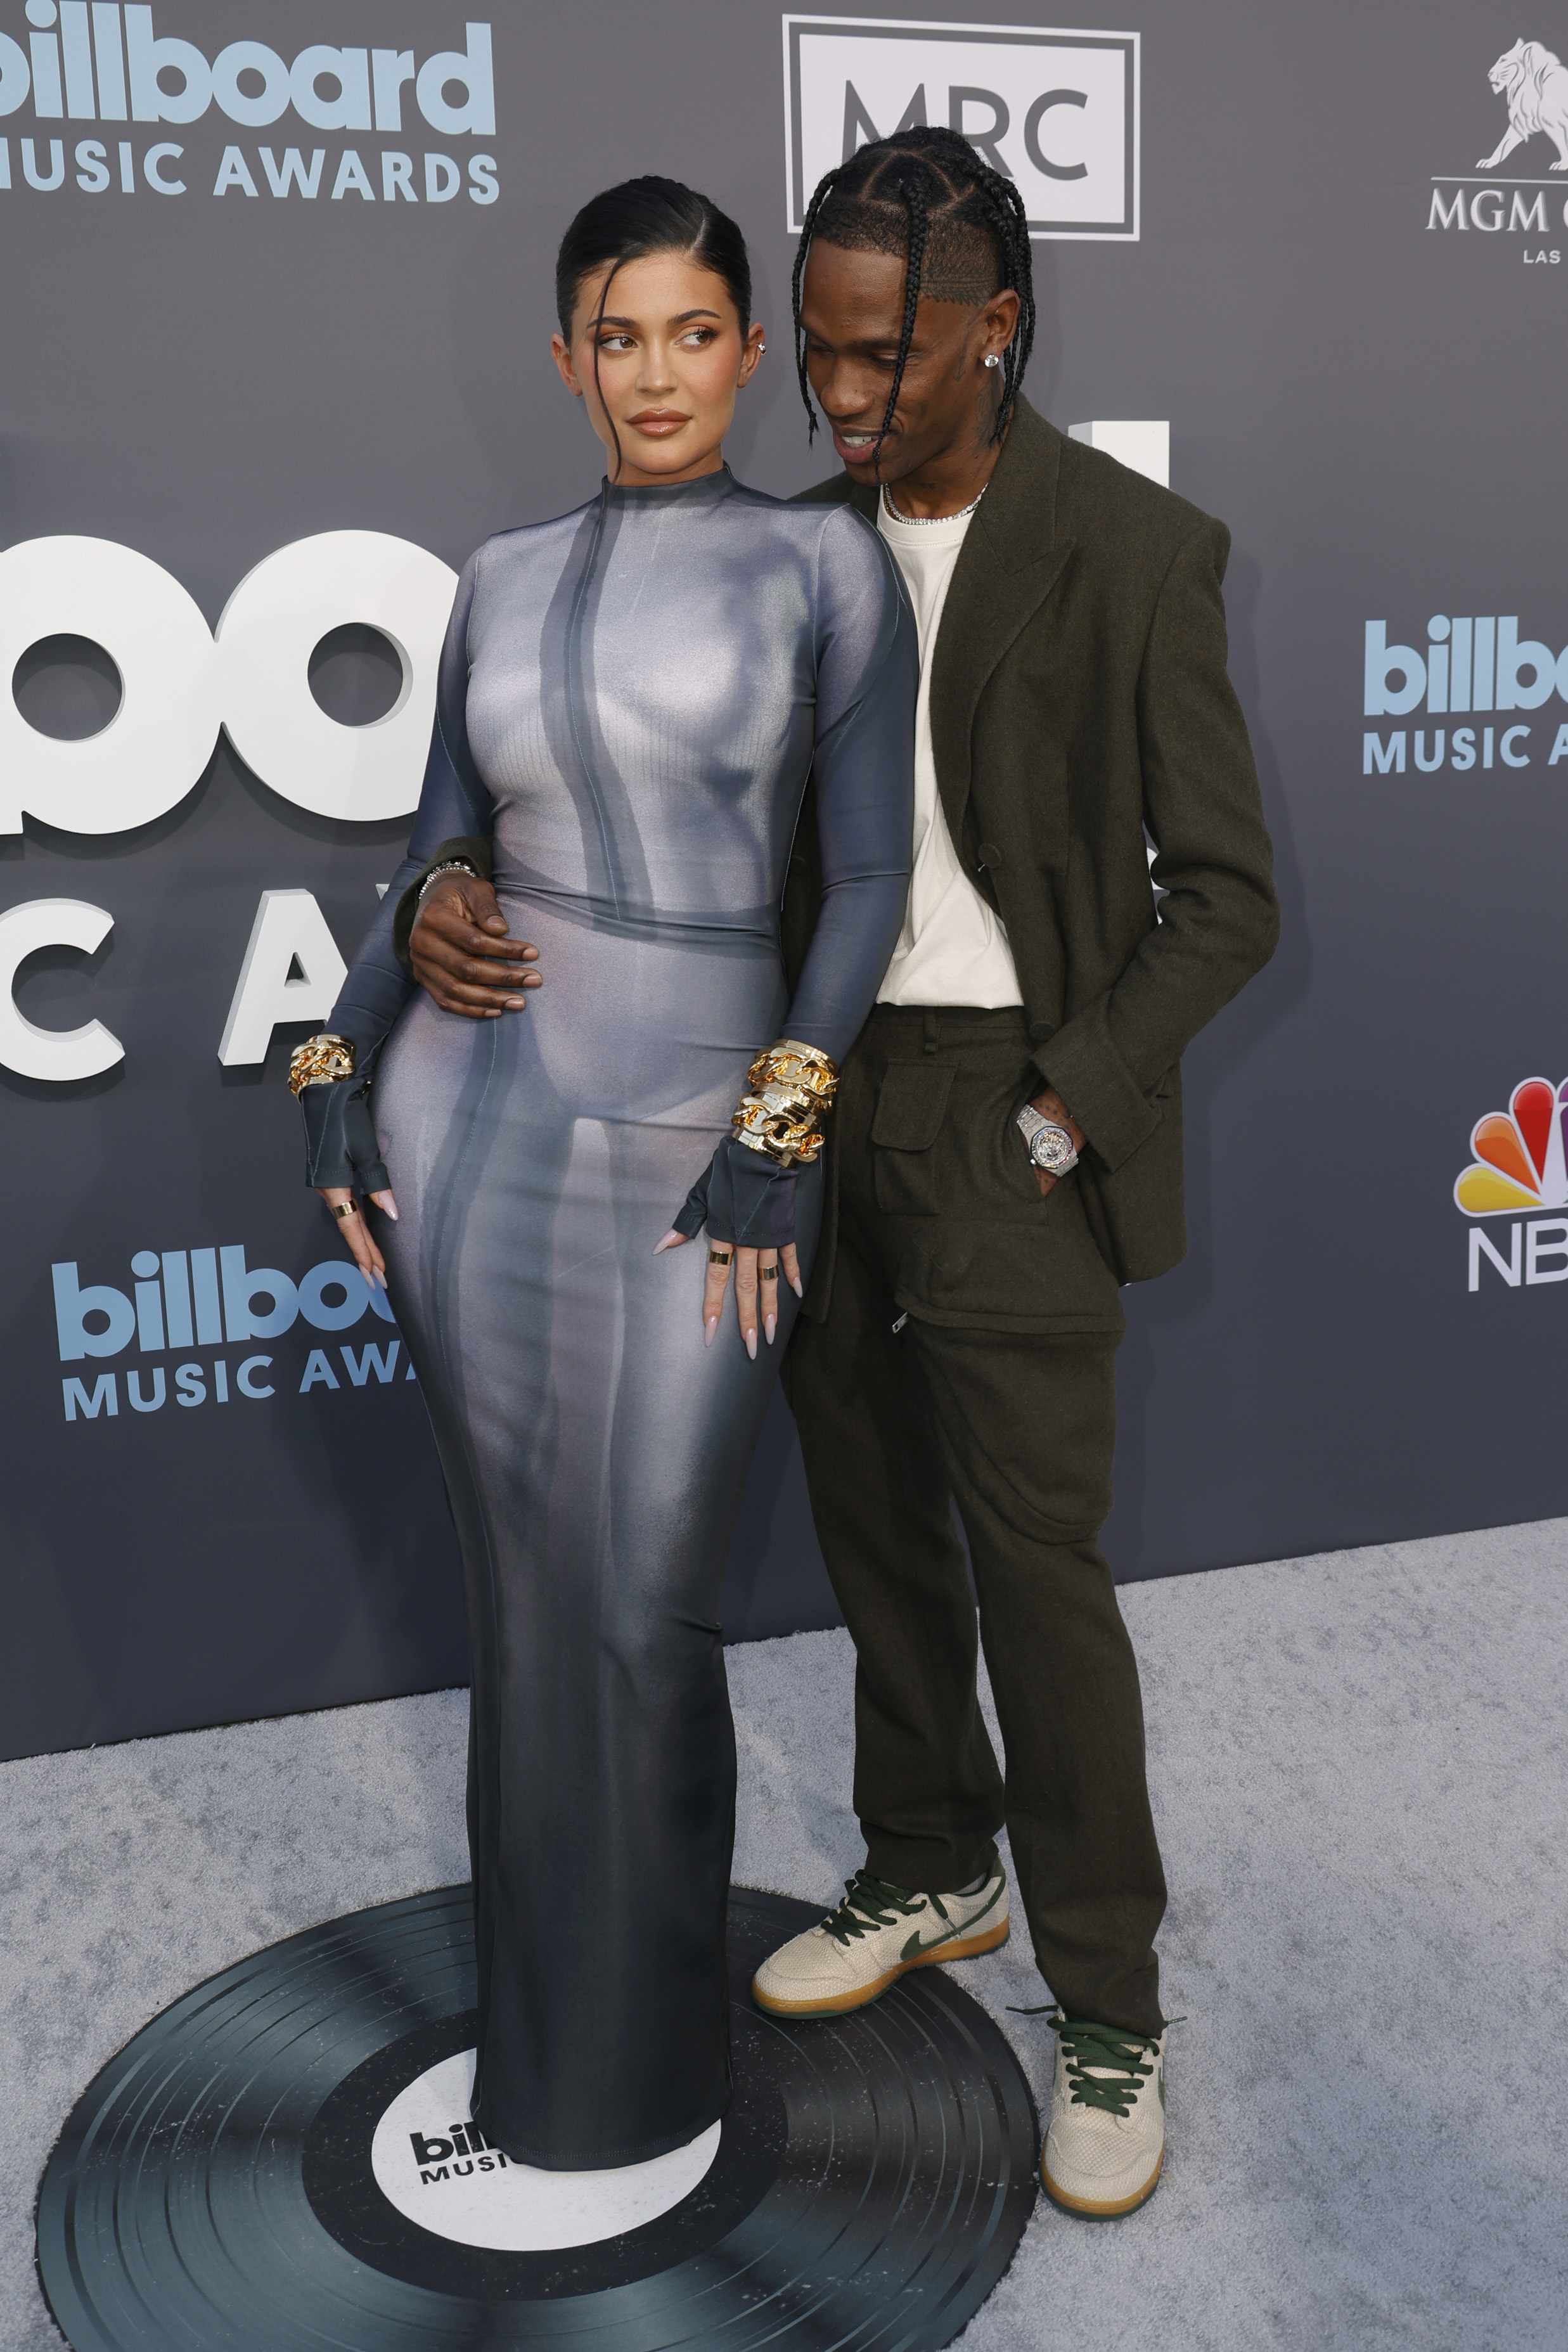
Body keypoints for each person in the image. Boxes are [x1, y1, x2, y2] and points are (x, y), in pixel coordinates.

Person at [288, 176, 916, 2172]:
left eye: (691, 332)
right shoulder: (497, 570)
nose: (654, 373)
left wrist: (779, 1129)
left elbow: (875, 881)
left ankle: (648, 2080)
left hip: (701, 1147)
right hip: (466, 1133)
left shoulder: (822, 575)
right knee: (530, 1608)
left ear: (747, 351)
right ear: (567, 358)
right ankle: (551, 2063)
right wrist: (330, 1071)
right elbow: (433, 856)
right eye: (614, 337)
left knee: (644, 1603)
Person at [744, 127, 1280, 2220]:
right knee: (869, 1519)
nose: (846, 401)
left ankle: (1111, 2003)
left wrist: (1063, 1102)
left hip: (1006, 1106)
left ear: (996, 326)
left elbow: (1222, 898)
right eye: (818, 358)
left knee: (1038, 1578)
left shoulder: (1138, 552)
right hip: (827, 1099)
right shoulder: (790, 551)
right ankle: (925, 1864)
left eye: (886, 360)